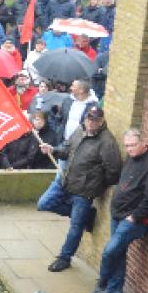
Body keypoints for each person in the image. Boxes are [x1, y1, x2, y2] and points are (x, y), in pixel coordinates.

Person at [38, 105, 122, 272]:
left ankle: (64, 258)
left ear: (101, 121)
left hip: (84, 191)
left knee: (76, 227)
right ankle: (86, 217)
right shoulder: (80, 130)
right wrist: (53, 150)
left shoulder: (107, 142)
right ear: (85, 119)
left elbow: (114, 172)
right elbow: (66, 149)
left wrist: (95, 183)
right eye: (89, 118)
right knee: (44, 203)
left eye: (95, 120)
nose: (91, 122)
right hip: (66, 181)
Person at [91, 128, 148, 293]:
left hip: (134, 219)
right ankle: (114, 291)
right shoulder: (131, 158)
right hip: (118, 214)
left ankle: (103, 282)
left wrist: (134, 217)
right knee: (118, 252)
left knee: (110, 251)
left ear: (143, 143)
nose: (129, 149)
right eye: (127, 146)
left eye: (132, 145)